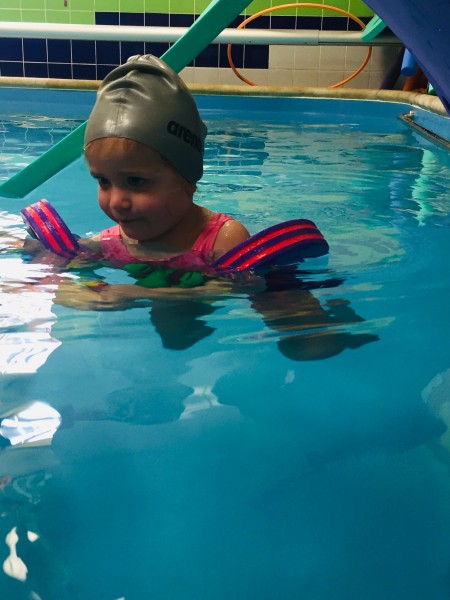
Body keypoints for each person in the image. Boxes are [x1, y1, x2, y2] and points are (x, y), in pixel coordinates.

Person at [80, 53, 250, 272]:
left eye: (135, 181)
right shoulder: (110, 243)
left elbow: (235, 287)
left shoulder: (224, 241)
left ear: (186, 178)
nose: (115, 202)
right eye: (103, 181)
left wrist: (130, 291)